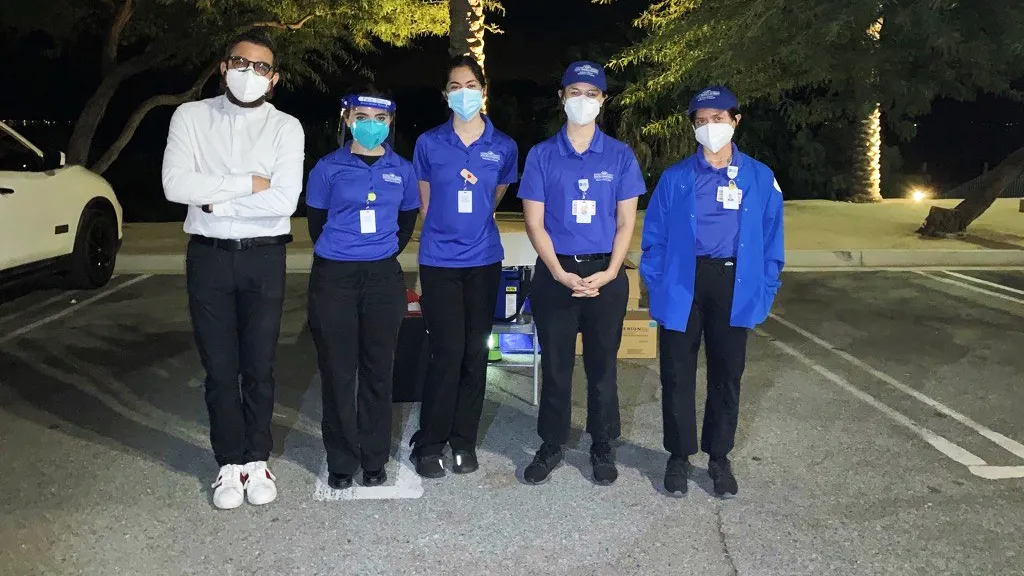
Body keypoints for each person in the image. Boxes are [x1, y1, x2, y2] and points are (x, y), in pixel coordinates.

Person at [161, 30, 305, 509]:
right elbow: (174, 184)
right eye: (241, 63)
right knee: (220, 367)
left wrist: (214, 199)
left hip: (265, 256)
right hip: (208, 257)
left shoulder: (287, 127)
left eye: (261, 67)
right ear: (224, 67)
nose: (250, 73)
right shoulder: (191, 116)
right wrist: (248, 184)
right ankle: (228, 463)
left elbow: (285, 200)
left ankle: (256, 459)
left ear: (274, 78)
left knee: (259, 365)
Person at [639, 86, 785, 497]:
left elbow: (773, 239)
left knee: (727, 375)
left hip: (732, 284)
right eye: (701, 121)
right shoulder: (676, 178)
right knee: (676, 373)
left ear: (736, 120)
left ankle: (719, 457)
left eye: (718, 118)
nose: (710, 127)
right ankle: (678, 455)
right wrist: (658, 283)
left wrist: (766, 288)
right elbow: (654, 240)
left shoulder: (759, 177)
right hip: (684, 281)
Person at [517, 61, 647, 486]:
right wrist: (557, 272)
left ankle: (602, 443)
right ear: (562, 97)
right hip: (557, 275)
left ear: (603, 100)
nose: (583, 100)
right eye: (575, 91)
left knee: (602, 367)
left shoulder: (620, 155)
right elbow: (535, 223)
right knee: (555, 366)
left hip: (605, 277)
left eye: (591, 93)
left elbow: (626, 222)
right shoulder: (541, 155)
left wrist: (611, 272)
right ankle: (551, 443)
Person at [409, 55, 519, 478]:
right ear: (445, 95)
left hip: (484, 260)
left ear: (484, 91)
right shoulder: (429, 144)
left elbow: (496, 195)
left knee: (476, 353)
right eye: (455, 86)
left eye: (470, 84)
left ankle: (463, 441)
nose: (463, 92)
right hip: (439, 261)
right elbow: (425, 202)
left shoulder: (503, 146)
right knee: (446, 351)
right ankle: (431, 441)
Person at [305, 92, 419, 490]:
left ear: (390, 123)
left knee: (377, 371)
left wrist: (376, 253)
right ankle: (341, 459)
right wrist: (347, 253)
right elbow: (316, 223)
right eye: (362, 116)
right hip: (334, 277)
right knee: (338, 372)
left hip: (382, 278)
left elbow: (405, 224)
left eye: (379, 117)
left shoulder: (401, 170)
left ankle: (374, 459)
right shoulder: (327, 168)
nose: (371, 123)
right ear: (348, 119)